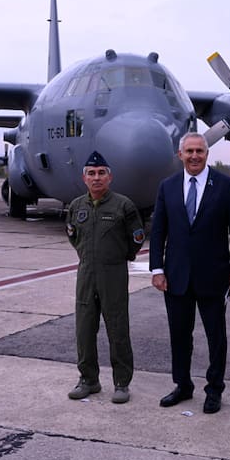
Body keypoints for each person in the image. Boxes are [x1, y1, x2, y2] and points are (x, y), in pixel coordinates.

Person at [149, 132, 230, 414]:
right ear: (180, 155)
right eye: (189, 151)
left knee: (216, 336)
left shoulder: (226, 186)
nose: (194, 156)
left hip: (213, 275)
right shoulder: (167, 187)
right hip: (175, 276)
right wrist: (157, 269)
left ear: (207, 154)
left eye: (199, 151)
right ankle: (183, 384)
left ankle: (214, 388)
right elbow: (158, 232)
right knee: (179, 335)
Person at [65, 150, 145, 404]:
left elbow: (136, 239)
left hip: (114, 273)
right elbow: (72, 235)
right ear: (84, 178)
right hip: (86, 273)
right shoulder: (77, 206)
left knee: (118, 328)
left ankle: (122, 382)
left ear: (110, 178)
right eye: (91, 173)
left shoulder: (123, 205)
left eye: (101, 173)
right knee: (84, 329)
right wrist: (89, 256)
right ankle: (88, 380)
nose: (96, 178)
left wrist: (118, 257)